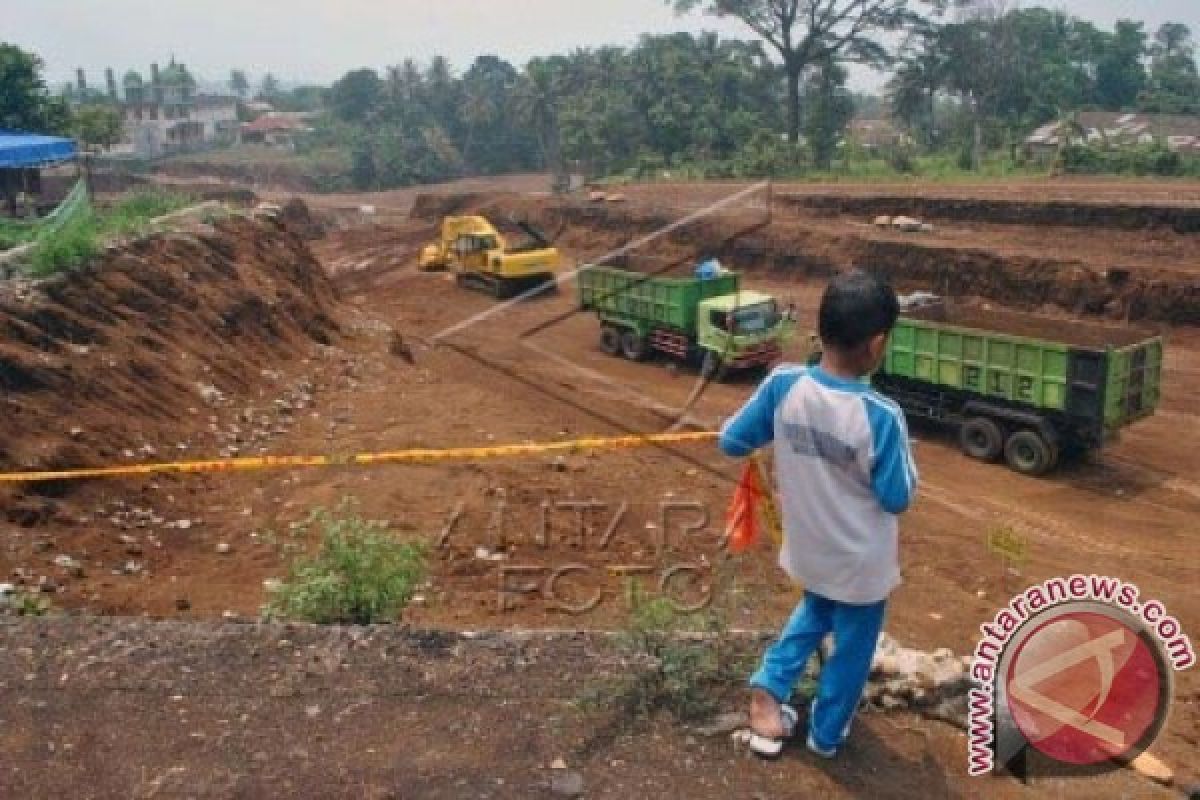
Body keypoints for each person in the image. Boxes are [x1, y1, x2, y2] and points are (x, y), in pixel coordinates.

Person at [717, 269, 918, 759]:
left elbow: (732, 440)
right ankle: (826, 737)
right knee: (851, 652)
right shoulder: (881, 415)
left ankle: (769, 687)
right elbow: (897, 498)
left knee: (812, 613)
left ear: (820, 328)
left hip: (809, 551)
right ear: (876, 344)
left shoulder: (783, 384)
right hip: (860, 566)